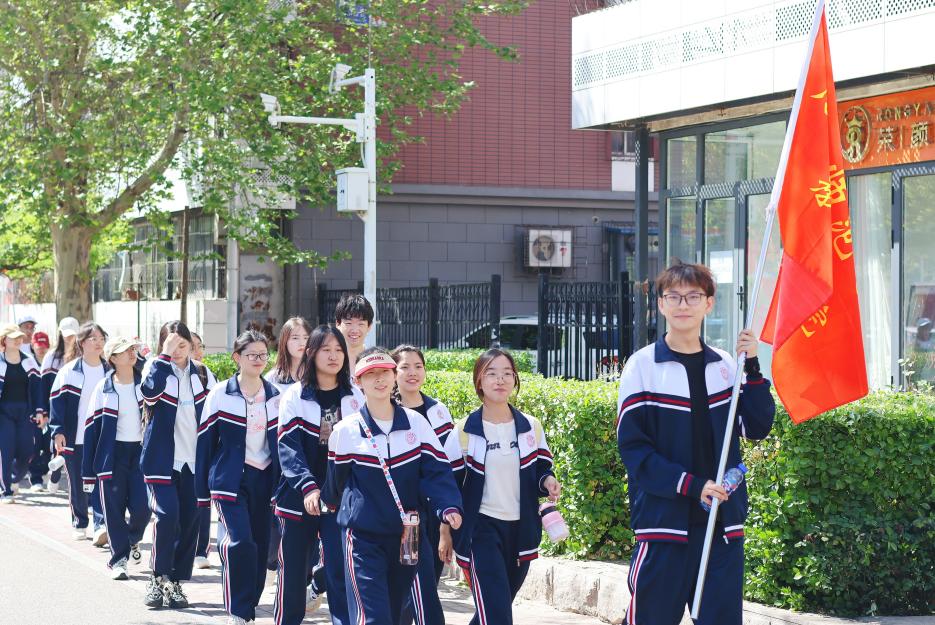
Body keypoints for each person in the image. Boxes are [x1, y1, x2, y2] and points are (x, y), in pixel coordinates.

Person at [616, 262, 776, 625]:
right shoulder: (642, 367)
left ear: (709, 303)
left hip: (721, 525)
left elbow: (756, 426)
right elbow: (635, 451)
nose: (683, 305)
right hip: (664, 525)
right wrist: (692, 485)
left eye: (693, 296)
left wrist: (752, 365)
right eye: (673, 297)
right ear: (660, 304)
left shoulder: (725, 364)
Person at [323, 348, 463, 625]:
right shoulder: (345, 431)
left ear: (393, 376)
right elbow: (334, 484)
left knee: (397, 614)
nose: (379, 379)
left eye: (385, 372)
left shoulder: (417, 424)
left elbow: (437, 471)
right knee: (373, 618)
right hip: (362, 539)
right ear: (358, 382)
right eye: (370, 374)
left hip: (407, 537)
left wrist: (448, 506)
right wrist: (330, 508)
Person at [447, 348, 560, 625]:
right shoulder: (464, 430)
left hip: (522, 530)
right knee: (497, 613)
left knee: (493, 610)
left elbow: (541, 469)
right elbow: (448, 484)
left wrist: (547, 481)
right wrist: (444, 531)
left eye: (507, 373)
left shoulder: (530, 426)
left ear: (515, 380)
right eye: (492, 373)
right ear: (479, 381)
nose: (500, 380)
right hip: (480, 530)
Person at [274, 324, 364, 625]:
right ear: (311, 353)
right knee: (294, 570)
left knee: (340, 568)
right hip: (298, 495)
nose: (333, 356)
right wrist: (308, 487)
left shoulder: (356, 397)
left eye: (339, 350)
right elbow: (289, 448)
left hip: (341, 498)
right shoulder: (295, 396)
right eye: (326, 349)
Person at [197, 330, 281, 625]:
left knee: (259, 545)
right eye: (251, 355)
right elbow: (205, 443)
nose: (258, 360)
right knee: (240, 542)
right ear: (237, 358)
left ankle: (249, 604)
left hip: (265, 479)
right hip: (229, 480)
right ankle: (238, 610)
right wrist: (201, 492)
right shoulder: (220, 394)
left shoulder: (276, 397)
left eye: (263, 355)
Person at [140, 321, 216, 609]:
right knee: (167, 516)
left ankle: (175, 582)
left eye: (182, 344)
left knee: (190, 523)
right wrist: (163, 356)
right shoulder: (155, 367)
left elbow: (214, 414)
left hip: (195, 462)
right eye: (172, 344)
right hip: (162, 460)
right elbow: (148, 395)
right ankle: (157, 578)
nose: (178, 350)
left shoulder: (202, 374)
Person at [392, 345, 458, 625]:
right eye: (405, 367)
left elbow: (448, 468)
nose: (412, 373)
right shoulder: (387, 411)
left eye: (418, 366)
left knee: (425, 584)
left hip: (435, 511)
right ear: (393, 373)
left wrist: (445, 528)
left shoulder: (438, 411)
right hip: (403, 513)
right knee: (415, 588)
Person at [81, 337, 151, 580]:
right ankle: (118, 560)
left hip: (141, 454)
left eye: (132, 349)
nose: (131, 353)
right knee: (113, 510)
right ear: (112, 358)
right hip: (112, 456)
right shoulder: (103, 388)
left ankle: (132, 539)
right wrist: (88, 472)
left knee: (144, 508)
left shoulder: (146, 384)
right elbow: (90, 430)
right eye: (124, 351)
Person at [50, 321, 110, 542]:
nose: (99, 343)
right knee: (78, 482)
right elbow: (56, 402)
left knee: (102, 481)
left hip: (102, 437)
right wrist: (57, 431)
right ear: (82, 342)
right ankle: (80, 522)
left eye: (102, 339)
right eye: (94, 339)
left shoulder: (110, 371)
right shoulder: (69, 372)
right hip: (75, 437)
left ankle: (100, 525)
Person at [263, 317, 312, 581]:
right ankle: (273, 562)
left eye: (305, 337)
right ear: (284, 341)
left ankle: (303, 572)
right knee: (276, 509)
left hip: (309, 451)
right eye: (295, 338)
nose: (301, 343)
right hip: (277, 451)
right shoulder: (272, 379)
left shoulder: (317, 376)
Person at [34, 317, 79, 494]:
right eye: (66, 335)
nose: (69, 338)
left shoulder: (83, 357)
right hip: (57, 409)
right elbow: (43, 386)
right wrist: (42, 410)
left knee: (76, 447)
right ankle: (54, 474)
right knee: (57, 445)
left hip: (78, 409)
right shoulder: (52, 357)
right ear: (60, 334)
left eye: (73, 335)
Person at [0, 324, 43, 503]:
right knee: (6, 452)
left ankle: (14, 478)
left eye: (19, 337)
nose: (18, 340)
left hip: (25, 413)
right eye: (13, 337)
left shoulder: (29, 361)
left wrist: (39, 411)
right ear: (4, 340)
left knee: (27, 451)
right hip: (4, 414)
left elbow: (38, 389)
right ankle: (6, 491)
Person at [335, 294, 375, 368]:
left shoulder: (375, 361)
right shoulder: (330, 359)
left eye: (361, 324)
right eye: (348, 323)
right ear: (338, 324)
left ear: (369, 326)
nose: (354, 330)